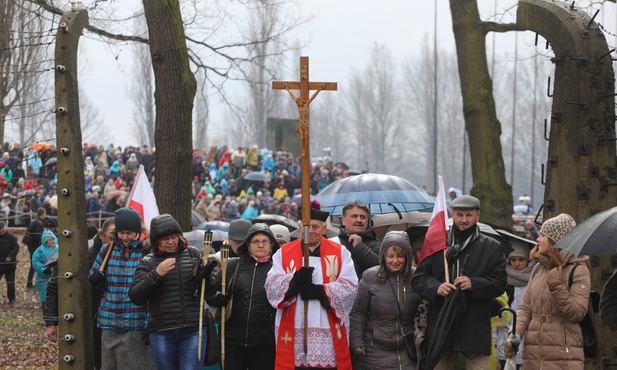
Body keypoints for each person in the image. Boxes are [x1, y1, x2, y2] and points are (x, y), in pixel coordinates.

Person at [411, 195, 507, 370]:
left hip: (475, 324)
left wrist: (474, 284)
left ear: (478, 215)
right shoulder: (437, 243)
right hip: (442, 321)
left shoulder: (492, 247)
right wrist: (436, 287)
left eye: (468, 215)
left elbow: (500, 283)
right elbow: (418, 279)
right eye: (459, 215)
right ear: (452, 214)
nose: (464, 220)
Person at [265, 205, 358, 369]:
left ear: (324, 228)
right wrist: (294, 281)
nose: (311, 232)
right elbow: (271, 285)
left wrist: (320, 291)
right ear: (300, 227)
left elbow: (350, 286)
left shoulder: (340, 252)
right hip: (294, 324)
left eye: (316, 227)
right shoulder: (284, 252)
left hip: (326, 323)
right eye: (307, 227)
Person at [129, 214, 216, 370]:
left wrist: (207, 276)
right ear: (156, 241)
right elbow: (136, 296)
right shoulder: (148, 262)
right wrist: (156, 274)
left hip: (193, 328)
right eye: (165, 239)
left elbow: (209, 290)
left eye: (174, 237)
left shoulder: (193, 254)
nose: (170, 242)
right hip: (162, 331)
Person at [504, 213, 590, 369]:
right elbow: (525, 309)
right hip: (533, 355)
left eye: (543, 235)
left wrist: (556, 286)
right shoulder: (537, 268)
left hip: (564, 355)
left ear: (556, 240)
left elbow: (578, 313)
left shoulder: (578, 271)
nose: (538, 239)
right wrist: (513, 335)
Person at [88, 207, 155, 369]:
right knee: (109, 366)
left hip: (137, 320)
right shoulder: (106, 251)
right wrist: (95, 278)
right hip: (109, 319)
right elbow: (91, 278)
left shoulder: (146, 252)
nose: (124, 237)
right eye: (121, 232)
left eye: (129, 233)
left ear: (137, 232)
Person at [206, 223, 280, 370]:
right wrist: (217, 298)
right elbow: (209, 292)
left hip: (265, 341)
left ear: (271, 245)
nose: (260, 245)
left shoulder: (278, 269)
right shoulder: (232, 266)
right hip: (232, 339)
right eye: (256, 241)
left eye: (265, 241)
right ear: (247, 245)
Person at [46, 220, 115, 370]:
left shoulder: (125, 253)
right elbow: (54, 288)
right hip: (84, 321)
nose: (115, 241)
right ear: (101, 234)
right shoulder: (79, 256)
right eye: (112, 236)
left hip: (115, 322)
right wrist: (51, 322)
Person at [349, 231, 422, 369]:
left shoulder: (416, 277)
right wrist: (356, 343)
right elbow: (358, 314)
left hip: (406, 349)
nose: (395, 260)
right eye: (390, 256)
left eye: (400, 256)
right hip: (374, 350)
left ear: (407, 256)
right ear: (383, 256)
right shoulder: (370, 276)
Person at [495, 243, 534, 370]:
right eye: (513, 260)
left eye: (521, 260)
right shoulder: (502, 281)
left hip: (528, 339)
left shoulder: (534, 280)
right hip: (504, 337)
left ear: (528, 261)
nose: (517, 264)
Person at [330, 200, 380, 279]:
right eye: (354, 216)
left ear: (367, 222)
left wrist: (360, 247)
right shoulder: (333, 244)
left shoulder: (377, 245)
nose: (359, 220)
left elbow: (381, 270)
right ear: (343, 220)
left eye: (363, 217)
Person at [31, 230, 58, 316]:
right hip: (44, 279)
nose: (52, 241)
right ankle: (47, 317)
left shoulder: (58, 248)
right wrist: (46, 270)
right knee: (45, 297)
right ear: (45, 241)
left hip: (57, 277)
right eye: (50, 240)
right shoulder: (39, 251)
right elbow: (35, 263)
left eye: (53, 239)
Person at [24, 207, 46, 289]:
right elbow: (38, 236)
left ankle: (30, 282)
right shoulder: (39, 223)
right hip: (35, 246)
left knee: (33, 264)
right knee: (34, 265)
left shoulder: (34, 220)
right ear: (42, 213)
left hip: (31, 245)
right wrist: (41, 247)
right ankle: (30, 283)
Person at [0, 220, 19, 303]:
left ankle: (12, 299)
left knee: (10, 284)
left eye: (2, 228)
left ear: (5, 227)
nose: (1, 230)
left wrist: (10, 256)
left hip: (9, 265)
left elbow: (16, 248)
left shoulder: (12, 237)